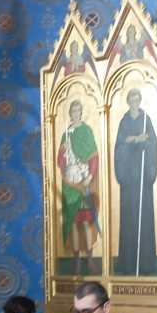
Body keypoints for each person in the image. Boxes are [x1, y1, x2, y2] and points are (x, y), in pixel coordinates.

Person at [114, 87, 157, 276]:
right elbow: (119, 147)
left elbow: (153, 144)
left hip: (143, 176)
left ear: (139, 100)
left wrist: (145, 144)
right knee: (130, 217)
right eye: (131, 97)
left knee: (144, 216)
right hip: (129, 179)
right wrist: (133, 140)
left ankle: (147, 264)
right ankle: (127, 264)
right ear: (128, 101)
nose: (134, 100)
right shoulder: (124, 121)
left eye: (136, 97)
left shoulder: (145, 119)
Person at [58, 98, 100, 276]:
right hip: (70, 184)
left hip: (84, 181)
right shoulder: (66, 133)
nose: (75, 113)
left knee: (85, 222)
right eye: (72, 111)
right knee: (74, 224)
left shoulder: (86, 131)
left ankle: (89, 258)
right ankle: (76, 260)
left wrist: (89, 177)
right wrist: (63, 150)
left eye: (78, 110)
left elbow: (94, 156)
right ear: (70, 114)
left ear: (81, 112)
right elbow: (60, 162)